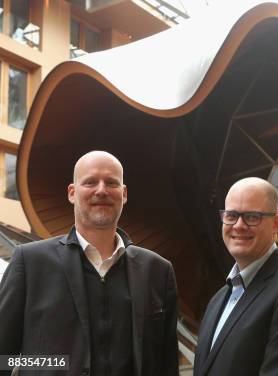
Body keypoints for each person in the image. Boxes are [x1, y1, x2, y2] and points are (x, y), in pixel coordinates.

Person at [0, 151, 179, 376]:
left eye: (111, 183)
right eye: (90, 182)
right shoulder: (30, 262)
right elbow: (3, 358)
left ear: (123, 194)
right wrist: (52, 364)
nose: (101, 190)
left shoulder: (158, 271)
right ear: (72, 193)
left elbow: (167, 366)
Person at [194, 177, 278, 376]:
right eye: (231, 215)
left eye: (252, 217)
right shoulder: (217, 300)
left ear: (276, 224)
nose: (239, 225)